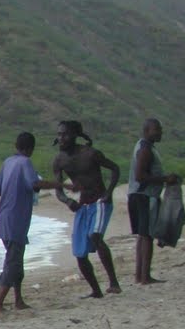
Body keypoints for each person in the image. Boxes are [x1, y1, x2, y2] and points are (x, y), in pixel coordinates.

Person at [49, 120, 124, 298]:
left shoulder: (90, 153)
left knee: (95, 236)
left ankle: (114, 283)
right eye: (59, 134)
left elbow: (115, 169)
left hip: (100, 201)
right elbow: (58, 190)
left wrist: (109, 192)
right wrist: (68, 201)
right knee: (79, 252)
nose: (61, 138)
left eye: (65, 134)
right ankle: (96, 290)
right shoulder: (59, 160)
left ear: (75, 136)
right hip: (82, 205)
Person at [0, 132, 59, 311]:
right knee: (14, 262)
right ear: (31, 149)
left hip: (3, 217)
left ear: (16, 145)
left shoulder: (8, 162)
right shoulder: (25, 162)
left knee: (16, 260)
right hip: (16, 219)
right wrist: (61, 185)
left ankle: (18, 300)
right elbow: (34, 184)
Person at [127, 118, 175, 285]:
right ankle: (145, 276)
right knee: (147, 236)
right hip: (144, 196)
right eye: (157, 129)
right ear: (147, 131)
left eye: (160, 129)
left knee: (142, 235)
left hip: (136, 194)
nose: (160, 132)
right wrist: (165, 179)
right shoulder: (146, 149)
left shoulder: (142, 146)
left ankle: (139, 276)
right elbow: (140, 176)